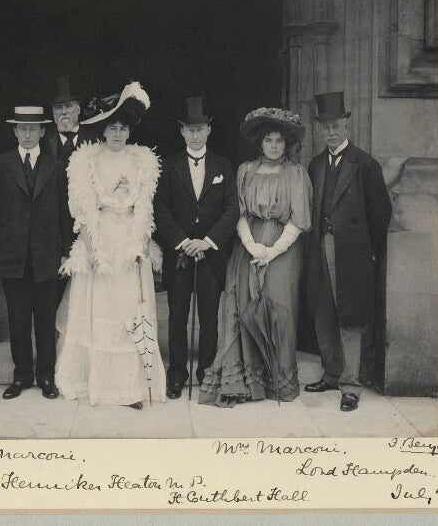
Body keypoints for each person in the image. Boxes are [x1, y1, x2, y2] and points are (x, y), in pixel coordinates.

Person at [55, 82, 166, 409]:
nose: (118, 134)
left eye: (123, 128)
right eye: (112, 128)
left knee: (130, 311)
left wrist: (143, 243)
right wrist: (91, 249)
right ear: (103, 131)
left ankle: (131, 387)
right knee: (102, 310)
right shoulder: (87, 160)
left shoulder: (142, 160)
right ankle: (98, 384)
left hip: (130, 241)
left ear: (129, 131)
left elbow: (145, 209)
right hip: (100, 241)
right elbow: (82, 212)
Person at [199, 107, 312, 407]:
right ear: (260, 142)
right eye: (268, 140)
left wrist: (272, 251)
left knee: (279, 308)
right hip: (248, 246)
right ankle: (248, 382)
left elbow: (299, 220)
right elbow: (237, 212)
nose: (274, 146)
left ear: (287, 144)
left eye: (279, 141)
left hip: (283, 249)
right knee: (243, 304)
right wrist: (250, 244)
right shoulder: (245, 171)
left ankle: (278, 380)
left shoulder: (296, 174)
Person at [304, 92, 392, 412]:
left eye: (335, 126)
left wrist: (369, 252)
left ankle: (351, 384)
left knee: (349, 316)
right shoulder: (316, 165)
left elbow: (380, 213)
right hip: (320, 246)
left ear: (346, 126)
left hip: (353, 251)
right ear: (319, 130)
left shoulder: (365, 164)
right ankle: (331, 374)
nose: (330, 132)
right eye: (324, 127)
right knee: (324, 311)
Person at [0, 105, 71, 400]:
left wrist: (65, 250)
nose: (28, 134)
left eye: (33, 129)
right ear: (15, 131)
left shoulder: (56, 166)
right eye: (22, 129)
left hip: (47, 255)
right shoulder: (0, 163)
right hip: (13, 255)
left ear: (42, 132)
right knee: (17, 319)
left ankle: (46, 376)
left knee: (45, 319)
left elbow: (66, 213)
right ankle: (22, 376)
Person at [154, 96, 239, 399]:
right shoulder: (168, 165)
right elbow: (161, 209)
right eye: (190, 130)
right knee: (177, 316)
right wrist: (184, 242)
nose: (195, 135)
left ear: (208, 130)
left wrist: (208, 241)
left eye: (200, 129)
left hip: (211, 254)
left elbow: (232, 208)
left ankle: (207, 373)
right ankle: (177, 374)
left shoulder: (223, 165)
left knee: (209, 318)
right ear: (182, 132)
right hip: (180, 253)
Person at [41, 75, 99, 305]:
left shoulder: (96, 141)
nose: (63, 112)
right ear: (52, 112)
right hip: (52, 229)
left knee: (87, 293)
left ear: (78, 109)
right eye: (58, 108)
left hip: (86, 226)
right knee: (52, 294)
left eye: (68, 106)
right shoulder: (42, 142)